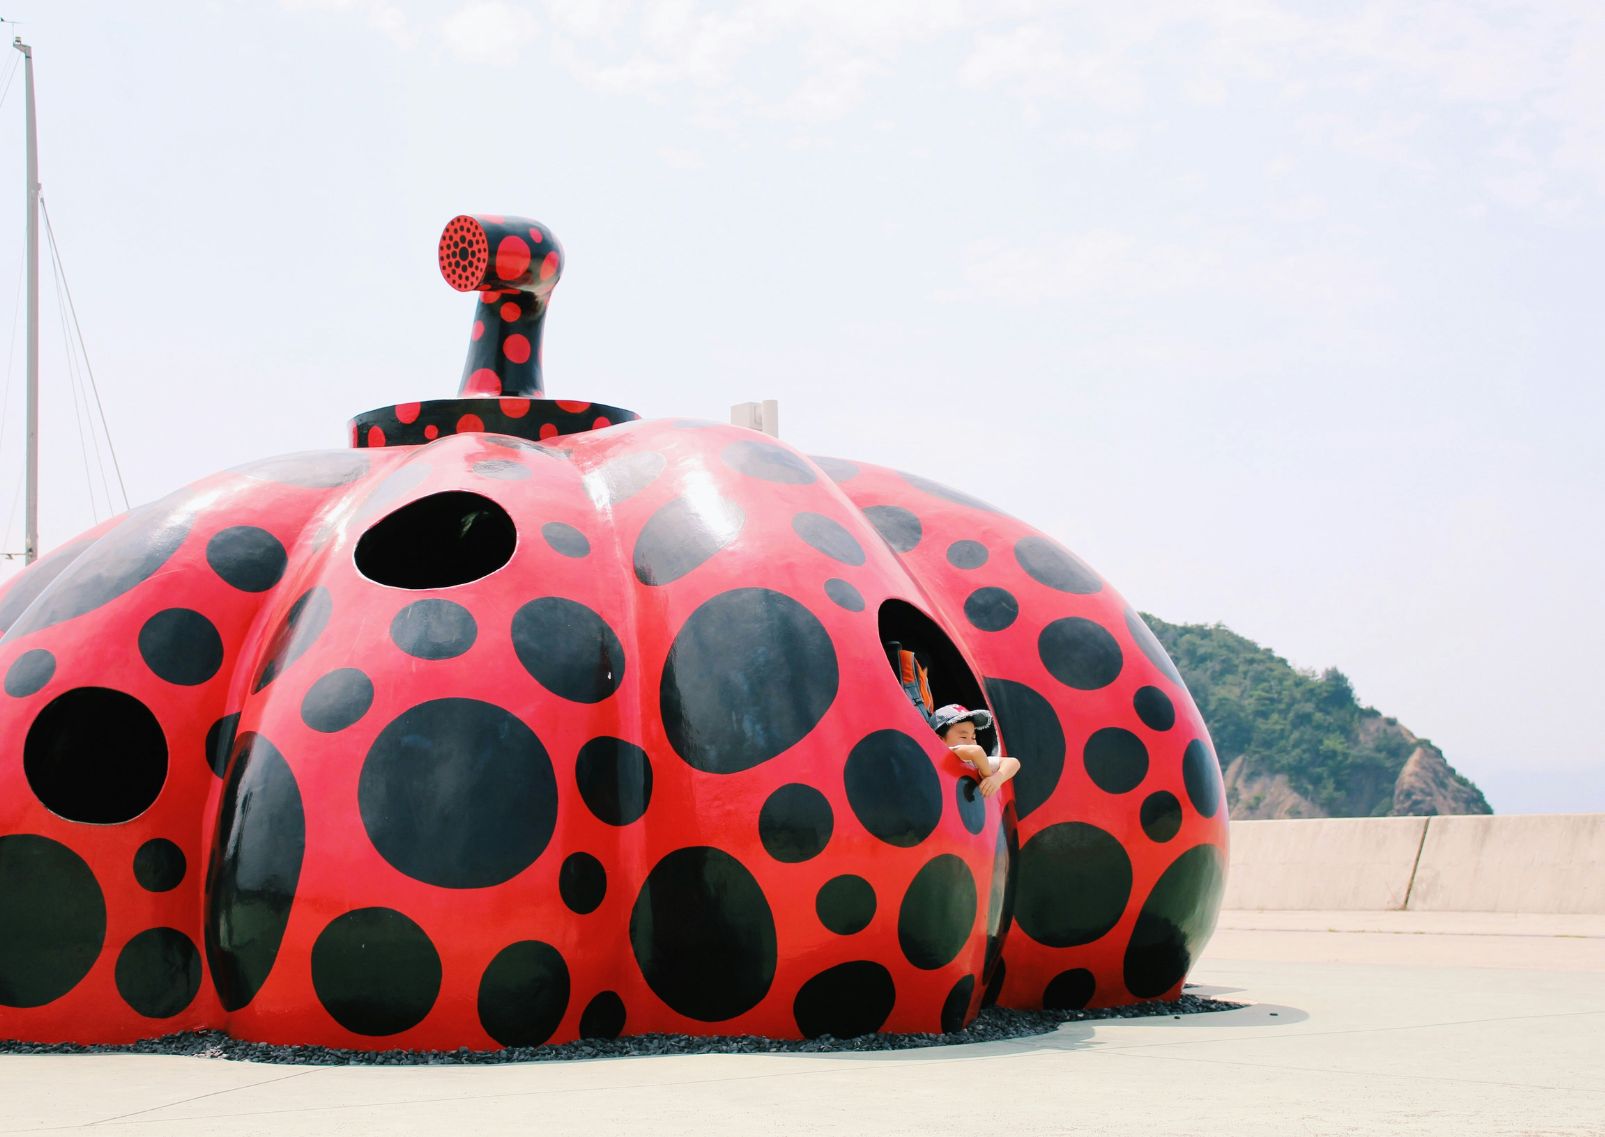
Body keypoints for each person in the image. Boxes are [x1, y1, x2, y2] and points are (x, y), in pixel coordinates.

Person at [929, 703, 1020, 798]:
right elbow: (976, 751)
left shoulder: (973, 762)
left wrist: (997, 779)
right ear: (939, 739)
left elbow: (1014, 762)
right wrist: (987, 775)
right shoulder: (946, 754)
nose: (970, 742)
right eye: (963, 737)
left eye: (973, 737)